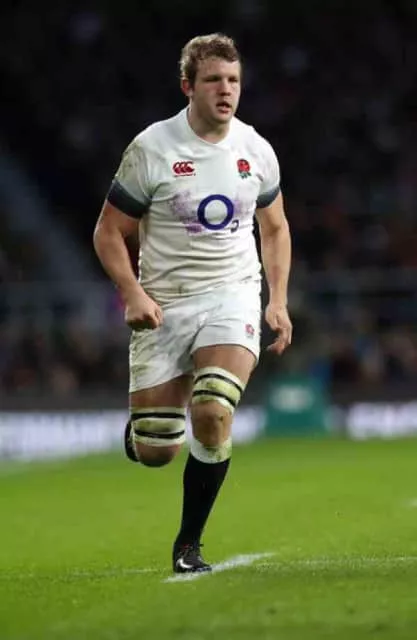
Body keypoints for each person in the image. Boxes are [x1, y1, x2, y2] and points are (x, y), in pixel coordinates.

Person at [93, 33, 292, 573]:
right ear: (188, 86)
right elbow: (108, 232)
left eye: (234, 80)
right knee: (158, 449)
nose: (226, 90)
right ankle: (144, 435)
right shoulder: (152, 148)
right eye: (213, 80)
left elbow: (275, 228)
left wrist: (277, 300)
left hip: (233, 294)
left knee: (212, 409)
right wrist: (132, 293)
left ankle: (189, 545)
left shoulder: (255, 149)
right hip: (165, 303)